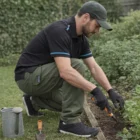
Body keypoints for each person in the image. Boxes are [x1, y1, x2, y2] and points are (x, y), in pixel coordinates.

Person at [14, 1, 124, 138]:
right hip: (27, 76)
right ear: (86, 18)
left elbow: (94, 67)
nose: (97, 31)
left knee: (71, 104)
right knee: (76, 65)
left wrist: (110, 91)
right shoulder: (59, 31)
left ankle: (33, 101)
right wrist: (95, 90)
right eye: (97, 25)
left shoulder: (81, 40)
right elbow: (65, 71)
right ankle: (69, 123)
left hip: (42, 79)